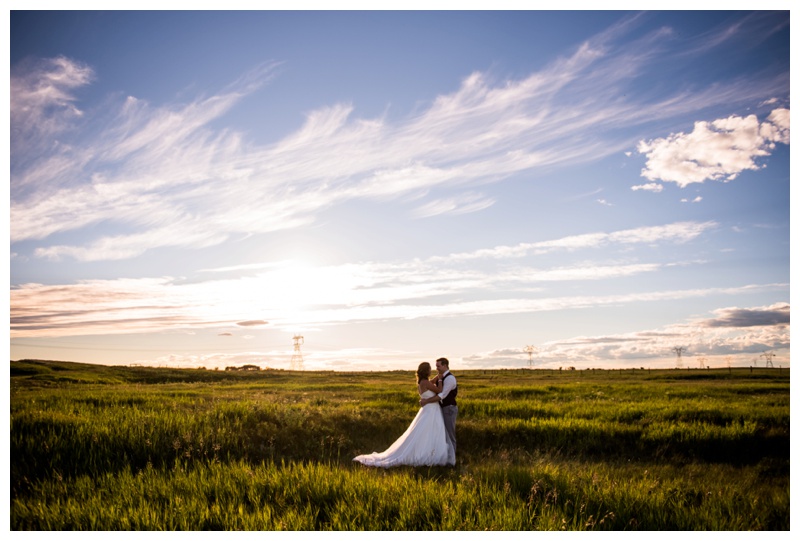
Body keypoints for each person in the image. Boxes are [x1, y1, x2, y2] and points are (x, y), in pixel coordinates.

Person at [353, 361, 451, 467]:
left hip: (428, 410)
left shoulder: (422, 382)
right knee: (430, 432)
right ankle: (428, 454)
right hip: (431, 410)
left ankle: (427, 452)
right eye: (430, 368)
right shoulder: (426, 383)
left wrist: (438, 376)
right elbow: (440, 390)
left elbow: (431, 382)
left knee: (424, 433)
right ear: (426, 370)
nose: (431, 370)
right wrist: (440, 379)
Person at [419, 357, 457, 465]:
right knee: (439, 434)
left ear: (445, 366)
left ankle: (451, 461)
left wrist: (426, 401)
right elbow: (433, 385)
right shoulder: (429, 381)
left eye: (438, 366)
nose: (436, 369)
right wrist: (439, 378)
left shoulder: (449, 379)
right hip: (436, 411)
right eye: (435, 367)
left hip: (448, 408)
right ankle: (441, 456)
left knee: (449, 435)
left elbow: (441, 395)